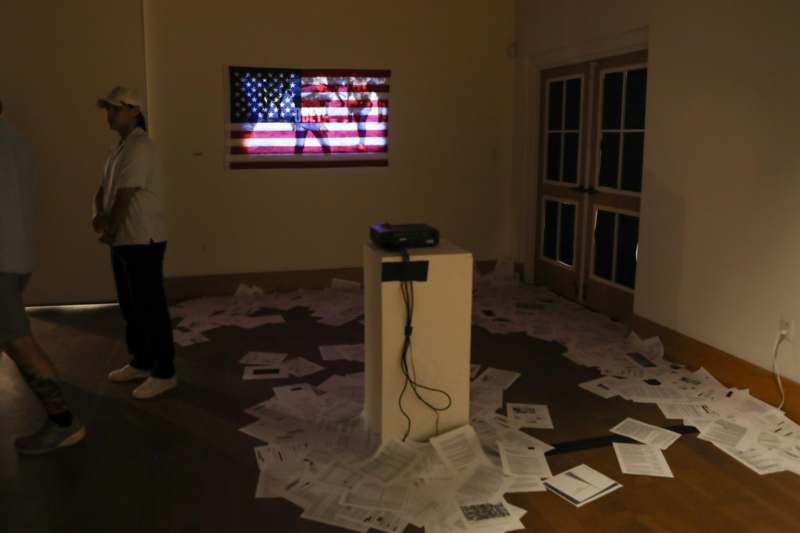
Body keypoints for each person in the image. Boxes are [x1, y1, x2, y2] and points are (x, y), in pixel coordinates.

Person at [0, 99, 86, 454]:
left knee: (20, 342)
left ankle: (63, 422)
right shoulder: (20, 144)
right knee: (11, 339)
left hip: (1, 264)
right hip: (17, 257)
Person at [94, 87, 176, 399]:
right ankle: (142, 360)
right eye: (108, 109)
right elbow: (104, 188)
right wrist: (98, 215)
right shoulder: (119, 147)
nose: (110, 114)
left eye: (115, 108)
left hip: (142, 237)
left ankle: (164, 371)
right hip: (125, 239)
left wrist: (110, 228)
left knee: (150, 305)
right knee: (131, 304)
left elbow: (125, 194)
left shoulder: (140, 147)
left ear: (134, 111)